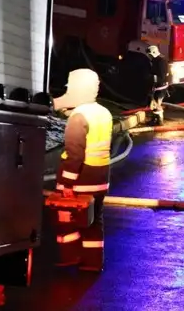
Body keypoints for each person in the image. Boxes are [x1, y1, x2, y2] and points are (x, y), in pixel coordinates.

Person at [52, 68, 113, 272]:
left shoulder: (78, 117)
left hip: (80, 181)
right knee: (94, 222)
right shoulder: (104, 113)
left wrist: (67, 183)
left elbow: (75, 155)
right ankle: (93, 262)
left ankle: (70, 257)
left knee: (66, 221)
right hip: (101, 179)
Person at [147, 45, 169, 126]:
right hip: (157, 86)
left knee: (157, 104)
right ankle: (154, 119)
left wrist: (151, 78)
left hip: (161, 87)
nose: (149, 57)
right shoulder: (155, 60)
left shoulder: (161, 61)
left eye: (150, 55)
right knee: (154, 103)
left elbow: (161, 76)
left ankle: (160, 120)